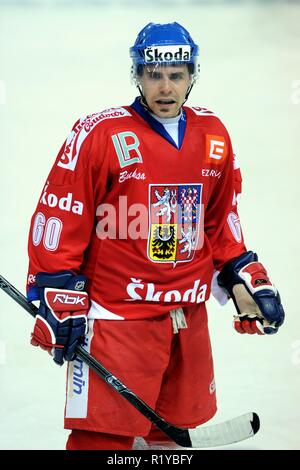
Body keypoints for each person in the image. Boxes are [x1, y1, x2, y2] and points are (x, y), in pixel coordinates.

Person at [26, 22, 285, 450]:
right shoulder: (100, 133)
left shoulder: (213, 136)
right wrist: (58, 293)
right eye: (153, 74)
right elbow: (60, 217)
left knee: (171, 438)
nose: (165, 87)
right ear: (137, 74)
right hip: (117, 321)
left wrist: (242, 277)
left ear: (192, 75)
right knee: (101, 443)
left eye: (176, 75)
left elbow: (219, 224)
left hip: (186, 317)